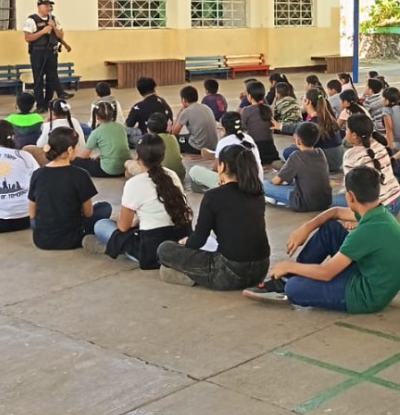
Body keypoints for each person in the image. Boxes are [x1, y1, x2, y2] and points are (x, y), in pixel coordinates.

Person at [244, 165, 400, 312]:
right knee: (330, 229)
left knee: (294, 289)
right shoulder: (378, 213)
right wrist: (307, 227)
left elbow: (326, 273)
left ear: (350, 196)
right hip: (370, 274)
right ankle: (287, 278)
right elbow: (336, 212)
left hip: (367, 296)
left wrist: (290, 266)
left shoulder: (366, 231)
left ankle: (288, 281)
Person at [157, 144, 271, 290]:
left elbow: (198, 240)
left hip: (228, 272)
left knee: (164, 249)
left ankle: (191, 276)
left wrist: (186, 243)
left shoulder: (214, 197)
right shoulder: (257, 193)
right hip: (260, 270)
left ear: (222, 166)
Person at [85, 134, 193, 268]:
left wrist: (130, 222)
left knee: (101, 225)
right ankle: (113, 244)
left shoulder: (134, 183)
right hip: (181, 240)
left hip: (152, 250)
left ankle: (111, 246)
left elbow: (123, 227)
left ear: (137, 156)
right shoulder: (172, 175)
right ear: (162, 155)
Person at [27, 128, 112, 251]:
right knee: (104, 207)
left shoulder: (37, 174)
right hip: (72, 238)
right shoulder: (80, 174)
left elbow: (32, 214)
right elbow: (88, 213)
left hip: (42, 240)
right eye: (77, 146)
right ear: (70, 149)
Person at [341, 113, 400, 214]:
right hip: (397, 201)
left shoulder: (350, 155)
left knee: (336, 201)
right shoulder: (380, 145)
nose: (345, 132)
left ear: (354, 135)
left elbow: (350, 188)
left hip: (380, 209)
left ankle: (355, 218)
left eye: (346, 130)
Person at [264, 122, 332, 211]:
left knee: (264, 185)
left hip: (303, 203)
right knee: (294, 183)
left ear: (298, 140)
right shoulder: (320, 152)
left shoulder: (296, 156)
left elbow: (276, 181)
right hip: (325, 202)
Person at [187, 112, 263, 192]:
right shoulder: (249, 139)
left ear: (224, 129)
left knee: (195, 170)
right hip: (256, 184)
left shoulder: (223, 142)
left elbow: (217, 169)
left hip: (235, 188)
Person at [23, 0, 71, 110]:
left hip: (51, 52)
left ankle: (48, 102)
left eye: (50, 6)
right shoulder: (31, 20)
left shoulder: (53, 19)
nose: (49, 8)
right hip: (38, 52)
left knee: (51, 78)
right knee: (38, 79)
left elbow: (60, 36)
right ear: (39, 7)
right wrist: (43, 31)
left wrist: (53, 27)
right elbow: (28, 37)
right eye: (46, 6)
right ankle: (40, 105)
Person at [72, 101, 130, 178]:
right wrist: (100, 154)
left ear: (96, 116)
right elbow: (117, 146)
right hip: (125, 167)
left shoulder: (96, 132)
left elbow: (84, 156)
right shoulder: (121, 127)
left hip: (108, 170)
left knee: (75, 161)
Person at [170, 85, 218, 157]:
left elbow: (173, 133)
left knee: (174, 140)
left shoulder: (187, 111)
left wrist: (179, 114)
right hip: (213, 145)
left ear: (184, 100)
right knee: (187, 136)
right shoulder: (206, 107)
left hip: (198, 147)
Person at [241, 81, 279, 164]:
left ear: (249, 96)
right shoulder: (268, 109)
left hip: (255, 147)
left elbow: (242, 127)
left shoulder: (246, 110)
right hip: (270, 147)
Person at [142, 113, 185, 180]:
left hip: (161, 178)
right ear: (166, 127)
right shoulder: (173, 137)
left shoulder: (150, 141)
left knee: (129, 167)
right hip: (179, 175)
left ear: (148, 129)